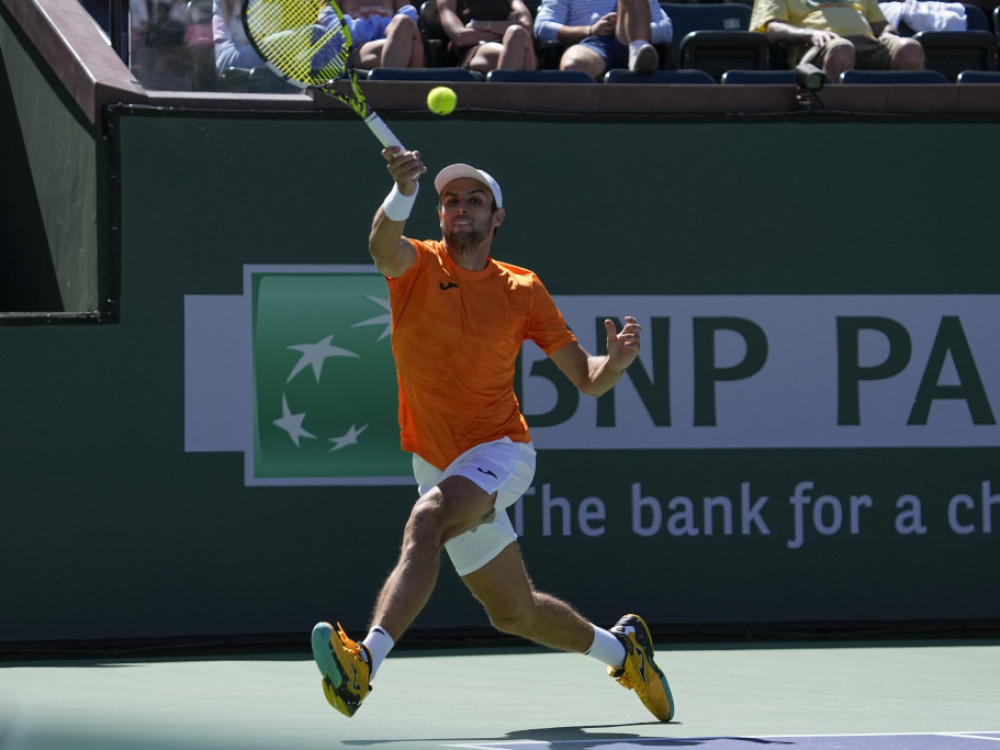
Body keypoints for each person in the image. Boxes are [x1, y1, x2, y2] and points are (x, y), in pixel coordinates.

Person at [309, 145, 675, 723]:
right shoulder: (418, 267)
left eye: (475, 202)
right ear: (439, 216)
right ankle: (624, 651)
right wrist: (402, 190)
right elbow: (382, 246)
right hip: (434, 458)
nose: (461, 209)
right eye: (450, 201)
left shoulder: (523, 290)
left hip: (500, 451)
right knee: (514, 611)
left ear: (496, 218)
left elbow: (588, 380)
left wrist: (619, 364)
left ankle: (364, 664)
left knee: (427, 520)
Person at [749, 0, 925, 81]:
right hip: (816, 45)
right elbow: (773, 28)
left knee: (910, 48)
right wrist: (809, 34)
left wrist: (890, 33)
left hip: (867, 44)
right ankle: (833, 119)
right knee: (842, 50)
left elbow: (881, 25)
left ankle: (906, 118)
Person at [533, 0, 672, 77]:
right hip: (592, 43)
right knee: (573, 66)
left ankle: (638, 53)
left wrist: (631, 28)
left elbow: (666, 30)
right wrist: (590, 30)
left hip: (629, 41)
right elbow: (542, 28)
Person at [436, 0, 538, 73]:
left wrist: (480, 25)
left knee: (516, 33)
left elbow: (527, 27)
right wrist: (504, 27)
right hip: (476, 49)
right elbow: (460, 37)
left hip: (511, 42)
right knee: (519, 53)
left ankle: (502, 97)